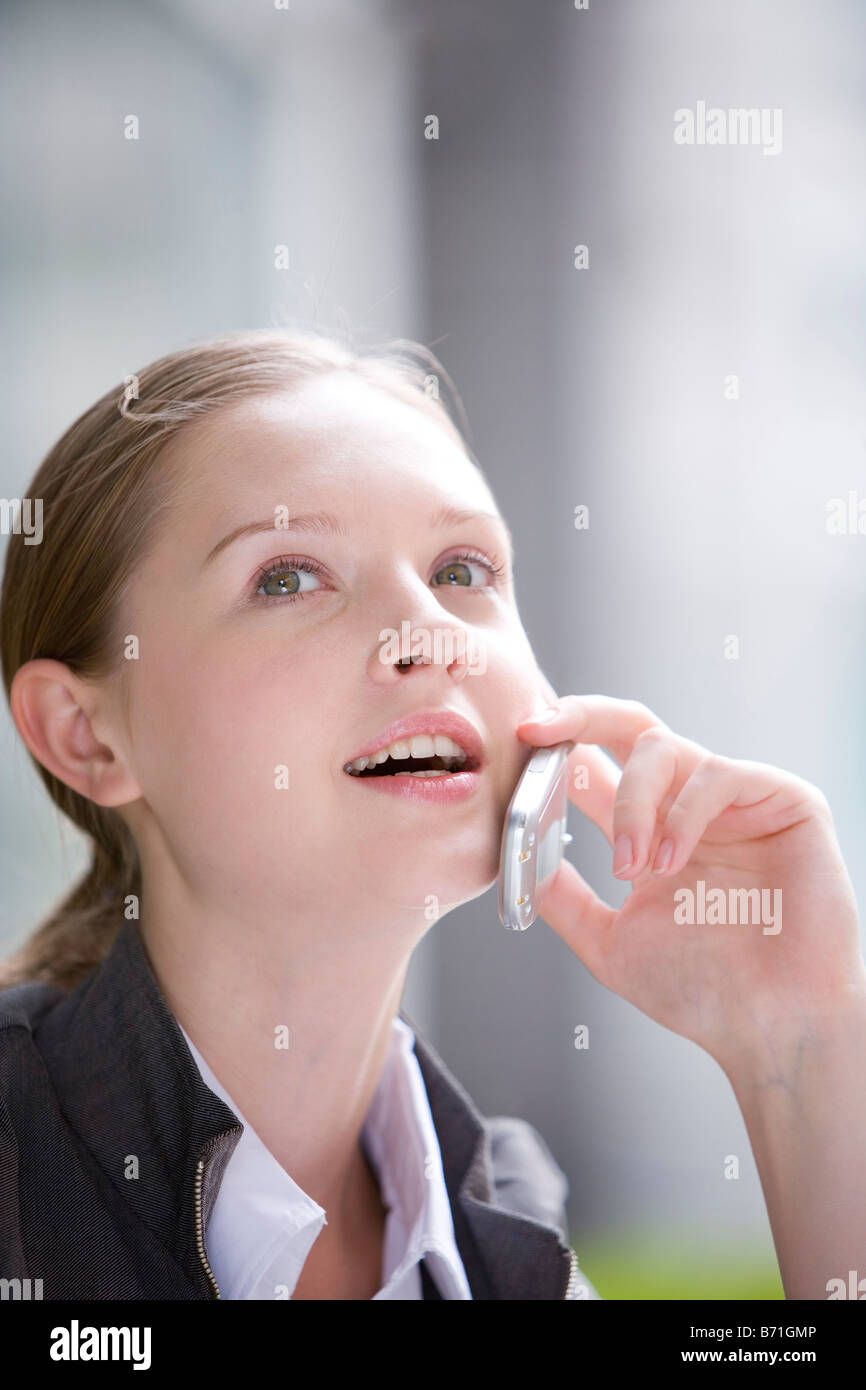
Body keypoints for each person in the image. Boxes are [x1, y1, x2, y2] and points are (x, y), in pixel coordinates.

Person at [0, 328, 863, 1301]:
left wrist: (799, 1048)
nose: (430, 635)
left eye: (461, 571)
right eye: (286, 576)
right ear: (86, 734)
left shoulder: (513, 1222)